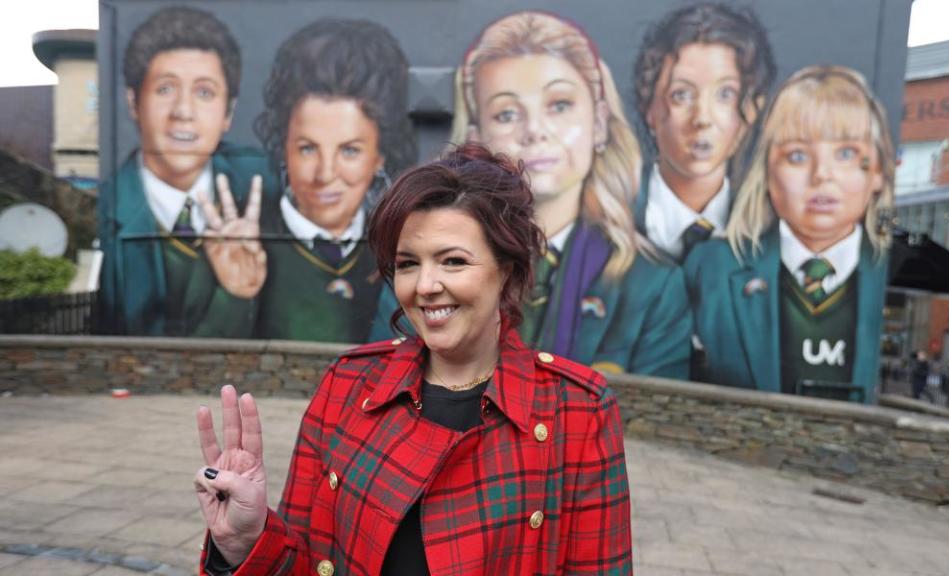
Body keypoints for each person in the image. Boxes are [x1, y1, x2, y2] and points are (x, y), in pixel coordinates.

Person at [193, 144, 633, 575]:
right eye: (407, 264)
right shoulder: (348, 386)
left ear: (507, 270)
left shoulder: (579, 410)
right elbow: (304, 563)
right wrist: (246, 543)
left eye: (453, 261)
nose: (424, 286)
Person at [438, 10, 690, 378]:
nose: (535, 131)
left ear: (599, 123)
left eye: (559, 105)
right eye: (507, 114)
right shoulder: (426, 266)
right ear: (476, 139)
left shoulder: (654, 286)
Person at [685, 66, 895, 404]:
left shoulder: (888, 271)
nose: (822, 175)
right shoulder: (712, 269)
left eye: (846, 154)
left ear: (880, 174)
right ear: (767, 171)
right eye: (797, 156)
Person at [97, 6, 275, 336]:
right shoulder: (105, 210)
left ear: (228, 113)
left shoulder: (271, 185)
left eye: (204, 92)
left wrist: (239, 291)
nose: (183, 112)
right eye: (165, 89)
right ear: (134, 101)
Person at [253, 18, 416, 342]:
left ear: (380, 154)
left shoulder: (400, 246)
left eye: (350, 151)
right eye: (307, 148)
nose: (325, 175)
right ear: (283, 146)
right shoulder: (241, 243)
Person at [633, 2, 775, 262]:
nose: (702, 118)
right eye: (681, 95)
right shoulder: (607, 220)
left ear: (752, 109)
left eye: (725, 94)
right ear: (648, 108)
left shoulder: (769, 232)